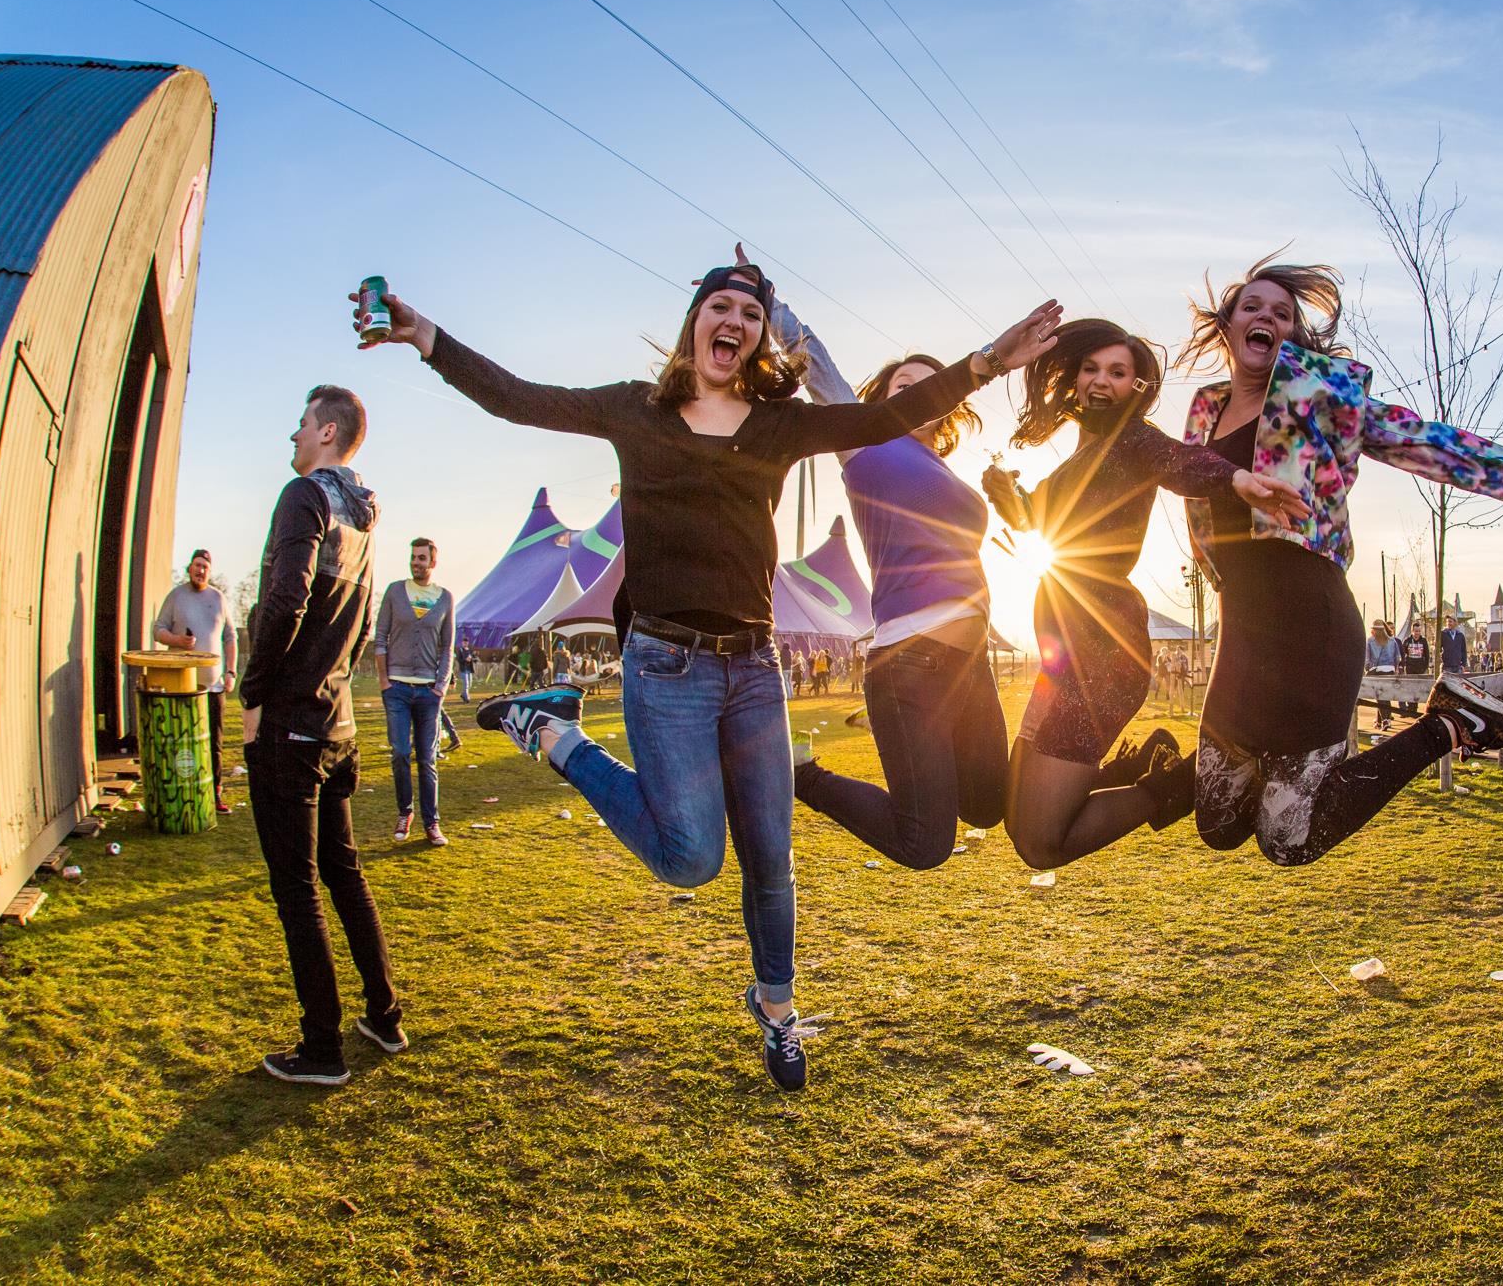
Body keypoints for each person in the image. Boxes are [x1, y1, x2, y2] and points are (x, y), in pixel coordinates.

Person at [363, 263, 1061, 1090]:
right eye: (720, 307)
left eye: (751, 314)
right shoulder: (635, 408)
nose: (735, 321)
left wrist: (987, 361)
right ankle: (557, 734)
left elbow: (884, 415)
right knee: (691, 859)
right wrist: (425, 337)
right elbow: (521, 397)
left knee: (771, 856)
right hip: (665, 666)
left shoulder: (776, 425)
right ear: (695, 322)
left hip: (755, 668)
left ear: (761, 339)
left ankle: (777, 1010)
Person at [1174, 256, 1503, 865]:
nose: (1266, 317)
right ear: (1228, 324)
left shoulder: (1322, 396)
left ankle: (1452, 724)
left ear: (1294, 336)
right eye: (1253, 307)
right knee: (1218, 823)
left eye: (1282, 313)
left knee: (1288, 841)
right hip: (1242, 631)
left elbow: (1432, 443)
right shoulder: (1203, 410)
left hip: (1311, 625)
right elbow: (1175, 474)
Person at [983, 317, 1310, 869]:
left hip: (1102, 664)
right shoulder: (1074, 464)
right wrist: (1005, 492)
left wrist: (1237, 481)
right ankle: (1149, 761)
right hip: (1063, 661)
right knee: (1017, 819)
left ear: (1135, 387)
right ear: (1073, 378)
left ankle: (1178, 783)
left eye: (1118, 372)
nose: (1102, 381)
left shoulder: (1133, 440)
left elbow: (1182, 463)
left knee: (1039, 844)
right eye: (1092, 368)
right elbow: (1035, 516)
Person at [773, 292, 1010, 872]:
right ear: (880, 400)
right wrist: (773, 309)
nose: (919, 393)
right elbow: (819, 368)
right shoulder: (867, 442)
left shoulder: (945, 471)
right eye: (904, 386)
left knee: (986, 806)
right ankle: (801, 774)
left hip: (969, 665)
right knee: (924, 843)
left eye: (933, 385)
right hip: (908, 667)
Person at [239, 385, 403, 1085]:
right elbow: (361, 623)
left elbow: (285, 597)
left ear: (328, 430)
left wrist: (252, 691)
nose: (294, 436)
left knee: (298, 884)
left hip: (293, 720)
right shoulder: (365, 515)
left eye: (302, 423)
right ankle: (384, 1015)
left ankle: (322, 1047)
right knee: (342, 871)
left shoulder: (303, 494)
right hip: (337, 721)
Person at [374, 537, 456, 847]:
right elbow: (380, 637)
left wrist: (441, 686)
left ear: (433, 563)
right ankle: (404, 812)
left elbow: (447, 646)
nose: (416, 562)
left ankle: (432, 822)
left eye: (422, 558)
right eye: (413, 557)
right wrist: (384, 681)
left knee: (427, 758)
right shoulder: (396, 592)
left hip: (427, 693)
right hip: (396, 687)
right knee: (399, 753)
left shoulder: (445, 597)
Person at [153, 547, 240, 814]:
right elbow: (158, 630)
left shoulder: (218, 598)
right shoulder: (176, 597)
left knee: (214, 742)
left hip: (213, 685)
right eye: (197, 565)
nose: (200, 570)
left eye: (205, 567)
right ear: (189, 568)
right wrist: (177, 641)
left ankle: (214, 794)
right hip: (182, 685)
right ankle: (181, 793)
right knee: (182, 740)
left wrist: (231, 672)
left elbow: (230, 637)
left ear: (209, 571)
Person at [1366, 619, 1402, 731]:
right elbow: (1397, 657)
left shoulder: (1371, 640)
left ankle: (1385, 720)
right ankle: (1383, 720)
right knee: (1386, 695)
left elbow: (1367, 659)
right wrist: (1395, 669)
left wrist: (1367, 669)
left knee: (1379, 697)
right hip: (1390, 669)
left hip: (1377, 669)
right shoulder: (1392, 641)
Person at [1400, 620, 1430, 717]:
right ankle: (1410, 707)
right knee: (1410, 688)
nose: (1417, 633)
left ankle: (1415, 709)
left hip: (1420, 667)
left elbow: (1427, 655)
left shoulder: (1423, 641)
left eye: (1418, 631)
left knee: (1417, 688)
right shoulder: (1407, 641)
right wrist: (1402, 664)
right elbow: (1403, 654)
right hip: (1410, 667)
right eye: (1415, 631)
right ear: (1412, 631)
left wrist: (1425, 667)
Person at [455, 635, 478, 703]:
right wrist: (465, 660)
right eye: (464, 642)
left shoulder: (470, 650)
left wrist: (473, 659)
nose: (465, 643)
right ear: (462, 643)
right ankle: (466, 698)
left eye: (466, 642)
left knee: (470, 684)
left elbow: (473, 658)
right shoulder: (460, 650)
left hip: (469, 669)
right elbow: (459, 659)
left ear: (468, 643)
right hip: (463, 669)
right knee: (466, 684)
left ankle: (463, 694)